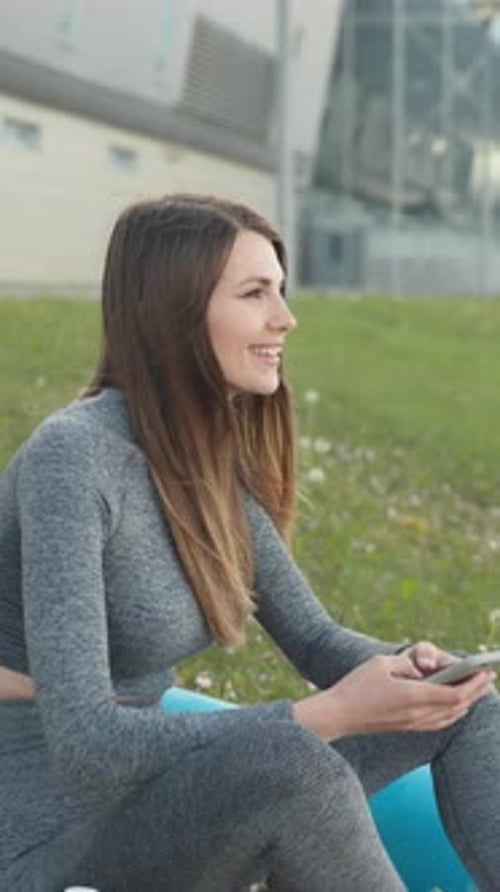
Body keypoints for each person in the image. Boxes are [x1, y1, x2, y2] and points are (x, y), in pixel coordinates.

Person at [0, 193, 499, 892]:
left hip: (172, 793)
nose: (285, 318)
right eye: (255, 293)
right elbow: (90, 746)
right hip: (54, 839)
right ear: (174, 309)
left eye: (281, 291)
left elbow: (316, 639)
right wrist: (324, 715)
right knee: (293, 759)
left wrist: (416, 671)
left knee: (469, 708)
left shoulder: (207, 461)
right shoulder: (74, 459)